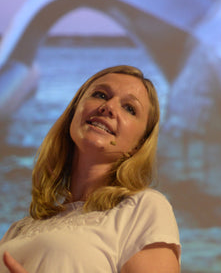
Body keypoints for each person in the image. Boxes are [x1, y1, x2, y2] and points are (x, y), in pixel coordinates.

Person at [0, 65, 180, 273]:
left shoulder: (143, 208)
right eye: (100, 94)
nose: (108, 107)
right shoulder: (19, 229)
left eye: (129, 108)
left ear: (138, 145)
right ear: (74, 112)